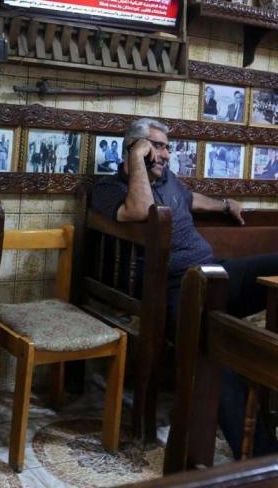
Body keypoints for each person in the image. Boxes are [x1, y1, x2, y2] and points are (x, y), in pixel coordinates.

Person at [91, 118, 278, 459]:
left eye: (165, 147)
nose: (165, 154)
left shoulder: (169, 180)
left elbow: (190, 199)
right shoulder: (109, 189)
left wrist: (224, 205)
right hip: (174, 288)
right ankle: (262, 459)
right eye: (156, 146)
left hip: (216, 273)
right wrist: (138, 161)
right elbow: (140, 210)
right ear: (135, 149)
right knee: (216, 351)